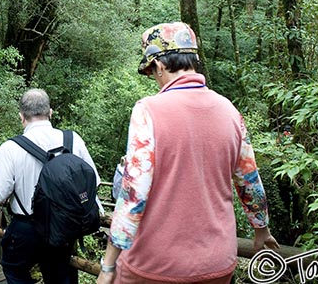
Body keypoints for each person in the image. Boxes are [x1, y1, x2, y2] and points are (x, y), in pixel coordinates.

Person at [97, 22, 279, 284]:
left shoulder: (148, 110)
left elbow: (134, 191)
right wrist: (261, 229)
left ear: (159, 66)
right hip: (218, 263)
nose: (154, 79)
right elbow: (249, 180)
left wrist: (109, 264)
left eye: (152, 72)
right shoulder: (229, 111)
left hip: (154, 265)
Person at [0, 88, 101, 284]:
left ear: (21, 116)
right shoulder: (72, 139)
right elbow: (93, 180)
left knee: (13, 267)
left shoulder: (11, 147)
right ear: (50, 112)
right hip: (64, 225)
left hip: (27, 226)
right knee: (61, 275)